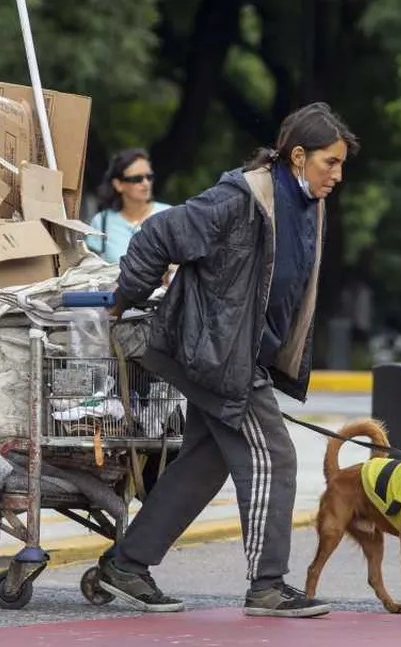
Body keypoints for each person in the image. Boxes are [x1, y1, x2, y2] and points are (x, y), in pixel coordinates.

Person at [96, 102, 359, 618]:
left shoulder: (307, 202)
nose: (338, 175)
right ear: (298, 156)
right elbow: (159, 234)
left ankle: (125, 565)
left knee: (205, 460)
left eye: (342, 164)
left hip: (236, 353)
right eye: (331, 162)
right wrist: (127, 298)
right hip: (214, 353)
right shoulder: (240, 198)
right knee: (274, 456)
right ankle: (267, 585)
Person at [85, 148, 172, 264]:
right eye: (137, 179)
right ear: (118, 184)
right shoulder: (101, 221)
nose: (146, 183)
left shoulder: (168, 215)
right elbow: (90, 267)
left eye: (149, 177)